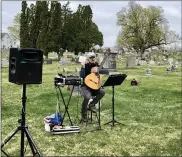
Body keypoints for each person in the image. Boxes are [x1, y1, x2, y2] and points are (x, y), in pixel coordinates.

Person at [80, 52, 105, 122]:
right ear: (88, 59)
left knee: (102, 92)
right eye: (91, 58)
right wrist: (83, 67)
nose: (92, 59)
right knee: (87, 96)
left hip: (94, 86)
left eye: (93, 57)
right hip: (85, 86)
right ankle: (83, 115)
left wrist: (100, 69)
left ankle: (92, 104)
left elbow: (105, 72)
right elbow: (82, 76)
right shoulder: (85, 66)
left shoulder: (97, 65)